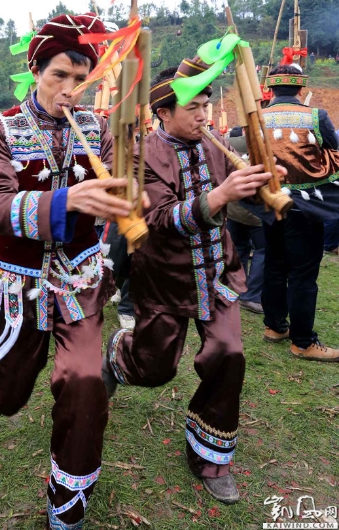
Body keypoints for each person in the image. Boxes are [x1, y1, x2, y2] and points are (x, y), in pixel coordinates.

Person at [0, 13, 145, 530]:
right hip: (18, 284)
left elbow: (124, 187)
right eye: (59, 77)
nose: (70, 90)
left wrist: (126, 189)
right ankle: (1, 390)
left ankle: (66, 505)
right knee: (10, 389)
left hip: (80, 278)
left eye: (80, 80)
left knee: (84, 379)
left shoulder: (98, 130)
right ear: (36, 73)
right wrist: (68, 198)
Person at [102, 60, 279, 505]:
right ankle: (119, 356)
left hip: (217, 273)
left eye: (205, 105)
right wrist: (221, 195)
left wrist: (262, 183)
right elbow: (160, 218)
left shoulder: (215, 144)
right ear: (163, 112)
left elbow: (235, 204)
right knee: (155, 367)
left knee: (229, 354)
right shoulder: (142, 153)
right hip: (165, 278)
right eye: (193, 108)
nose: (204, 116)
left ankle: (210, 457)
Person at [261, 63, 339, 361]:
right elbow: (333, 149)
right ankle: (303, 341)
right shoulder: (315, 116)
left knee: (274, 264)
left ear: (270, 87)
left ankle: (275, 326)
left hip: (270, 201)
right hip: (308, 204)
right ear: (301, 87)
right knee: (304, 273)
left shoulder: (257, 119)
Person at [227, 127, 265, 314]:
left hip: (233, 207)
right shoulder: (262, 144)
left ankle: (236, 288)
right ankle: (251, 295)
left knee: (239, 248)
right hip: (255, 211)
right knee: (263, 251)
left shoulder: (230, 143)